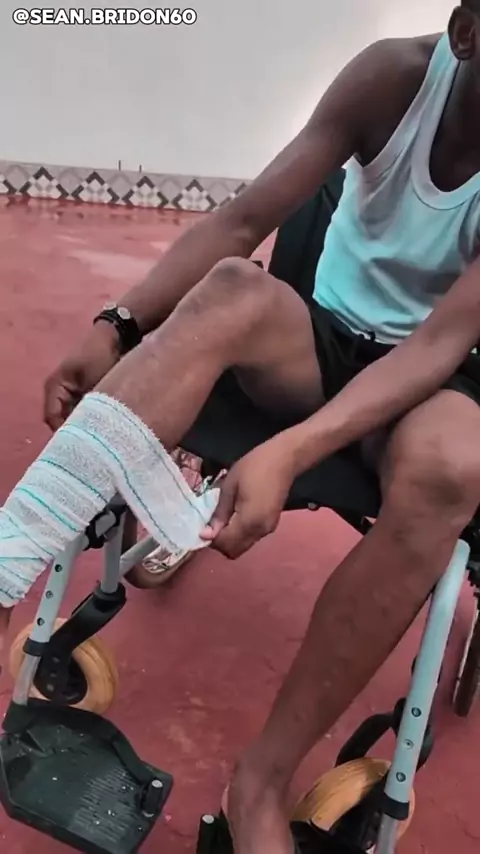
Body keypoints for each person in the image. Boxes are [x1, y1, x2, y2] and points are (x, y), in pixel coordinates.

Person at [3, 6, 480, 853]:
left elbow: (441, 343)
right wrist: (118, 322)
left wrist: (291, 450)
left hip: (434, 375)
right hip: (321, 341)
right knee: (231, 287)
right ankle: (4, 575)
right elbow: (240, 221)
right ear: (467, 32)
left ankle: (260, 780)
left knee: (454, 466)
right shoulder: (394, 79)